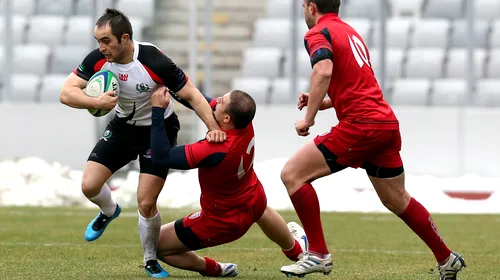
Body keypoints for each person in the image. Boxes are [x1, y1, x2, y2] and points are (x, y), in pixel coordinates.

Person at [279, 1, 466, 279]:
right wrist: (324, 102)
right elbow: (356, 84)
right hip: (383, 122)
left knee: (292, 175)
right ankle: (446, 257)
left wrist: (309, 117)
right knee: (397, 199)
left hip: (361, 125)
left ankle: (317, 254)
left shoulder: (318, 32)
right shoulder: (350, 32)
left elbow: (323, 71)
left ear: (310, 6)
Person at [59, 8, 226, 278]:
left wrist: (214, 128)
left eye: (106, 41)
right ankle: (109, 210)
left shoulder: (153, 60)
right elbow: (66, 93)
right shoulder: (98, 60)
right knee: (89, 185)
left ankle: (150, 259)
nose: (101, 48)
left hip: (158, 130)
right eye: (97, 41)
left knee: (146, 202)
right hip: (123, 127)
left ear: (124, 38)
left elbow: (193, 95)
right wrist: (96, 102)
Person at [149, 87, 308, 277]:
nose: (216, 101)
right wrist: (173, 85)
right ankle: (297, 252)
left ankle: (214, 268)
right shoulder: (245, 122)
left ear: (226, 119)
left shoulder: (214, 149)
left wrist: (157, 110)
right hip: (253, 195)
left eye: (221, 101)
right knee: (262, 210)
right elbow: (199, 100)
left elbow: (161, 158)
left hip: (223, 221)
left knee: (156, 245)